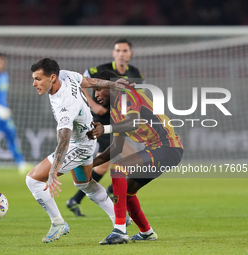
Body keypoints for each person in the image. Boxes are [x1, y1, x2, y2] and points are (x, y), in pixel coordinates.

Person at [26, 58, 128, 243]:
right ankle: (120, 217)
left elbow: (63, 141)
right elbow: (91, 82)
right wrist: (115, 84)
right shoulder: (66, 75)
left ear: (52, 77)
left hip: (79, 145)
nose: (34, 84)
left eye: (38, 79)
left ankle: (58, 222)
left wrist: (53, 172)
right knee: (84, 184)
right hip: (87, 139)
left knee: (32, 180)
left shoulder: (65, 105)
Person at [86, 70, 184, 244]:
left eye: (98, 89)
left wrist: (106, 129)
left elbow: (133, 122)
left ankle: (119, 230)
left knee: (118, 169)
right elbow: (116, 147)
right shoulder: (116, 109)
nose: (96, 95)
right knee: (128, 192)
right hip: (157, 148)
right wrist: (88, 165)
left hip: (167, 146)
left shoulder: (125, 95)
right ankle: (147, 232)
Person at [66, 38, 144, 216]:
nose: (121, 54)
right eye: (118, 50)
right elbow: (80, 82)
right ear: (113, 53)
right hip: (101, 122)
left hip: (117, 122)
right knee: (131, 157)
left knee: (104, 164)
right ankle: (111, 189)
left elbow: (136, 96)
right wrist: (93, 105)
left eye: (125, 51)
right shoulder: (101, 70)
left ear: (130, 54)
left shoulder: (135, 73)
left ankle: (76, 199)